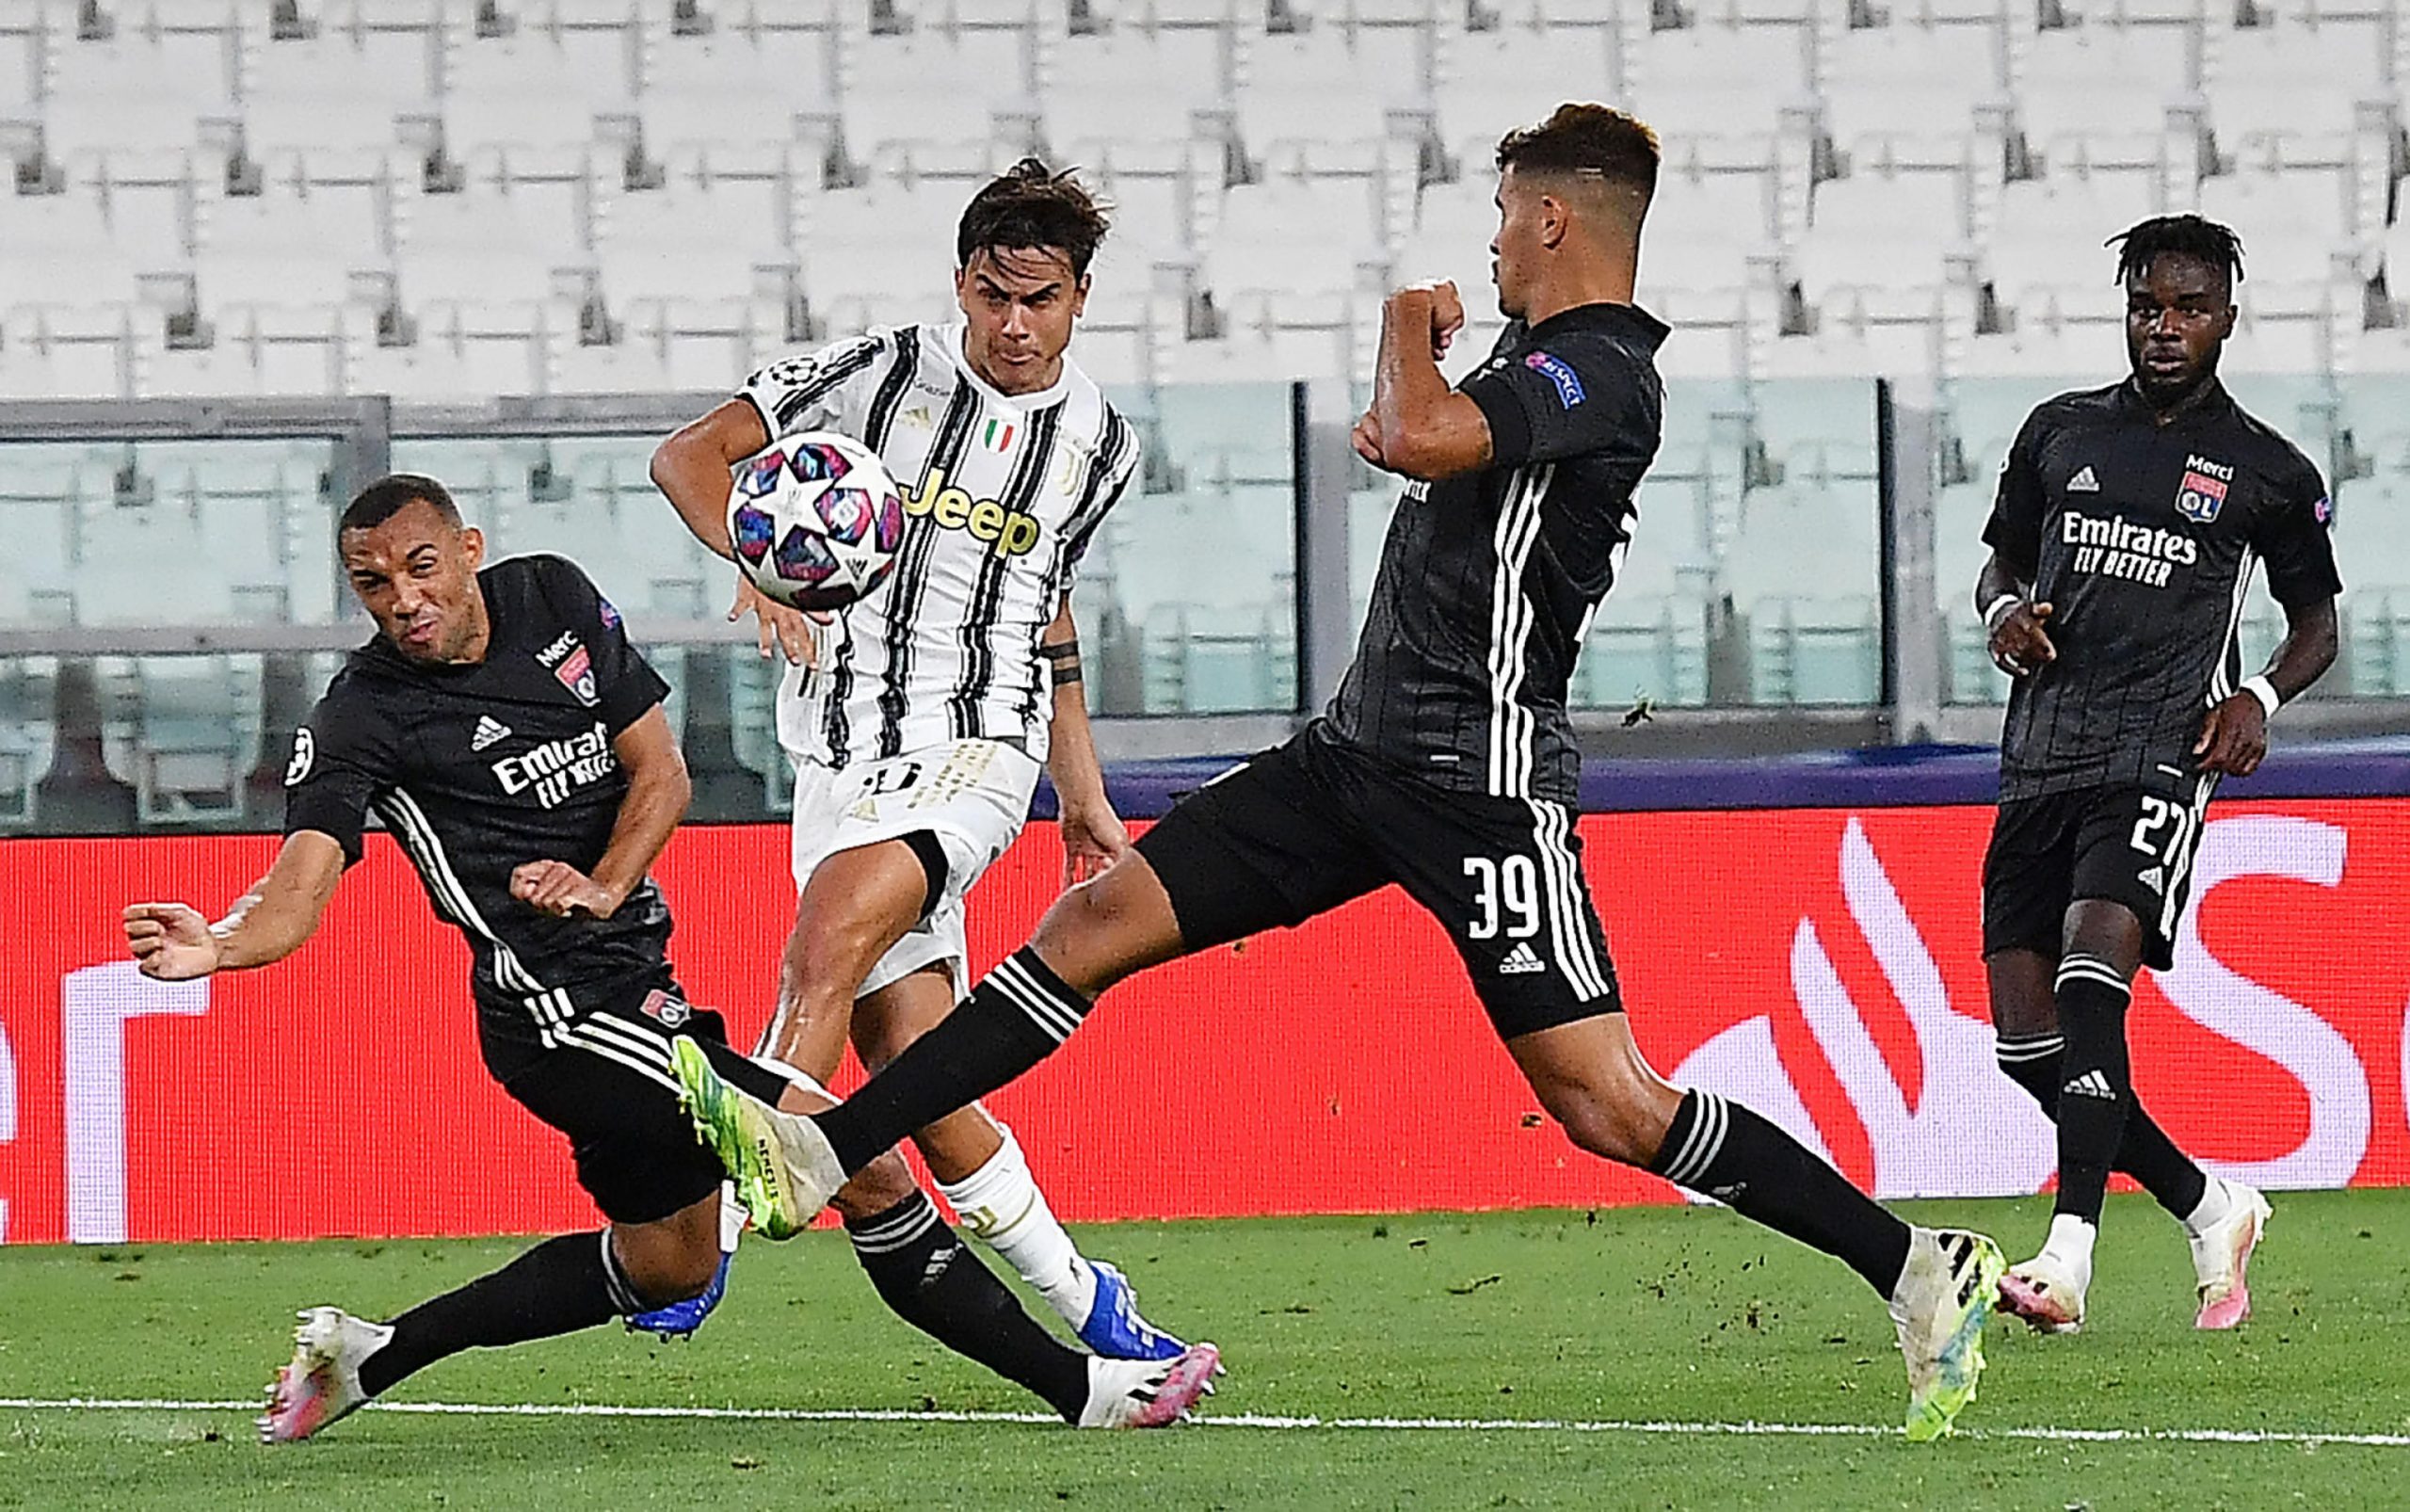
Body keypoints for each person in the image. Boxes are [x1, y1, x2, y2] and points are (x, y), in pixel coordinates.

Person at [669, 104, 2008, 1442]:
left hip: (1479, 784)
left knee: (1610, 1103)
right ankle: (819, 1148)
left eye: (1501, 217)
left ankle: (1910, 1262)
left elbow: (1413, 435)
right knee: (1089, 924)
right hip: (1354, 753)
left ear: (1550, 218)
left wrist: (1400, 333)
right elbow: (1417, 439)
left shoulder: (1600, 368)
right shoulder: (1534, 351)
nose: (1490, 244)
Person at [119, 475, 1219, 1444]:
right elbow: (300, 887)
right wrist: (218, 944)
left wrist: (603, 882)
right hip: (556, 1018)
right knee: (853, 1158)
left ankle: (369, 1353)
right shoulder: (365, 713)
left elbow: (662, 774)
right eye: (371, 584)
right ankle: (1087, 1387)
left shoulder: (551, 596)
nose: (402, 599)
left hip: (641, 991)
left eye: (418, 567)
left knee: (670, 1264)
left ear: (469, 549)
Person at [648, 157, 1182, 1359]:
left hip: (974, 748)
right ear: (961, 283)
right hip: (836, 756)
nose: (1012, 323)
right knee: (916, 1070)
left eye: (1038, 299)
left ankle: (717, 1230)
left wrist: (1077, 790)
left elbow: (1043, 617)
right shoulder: (880, 370)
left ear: (1078, 298)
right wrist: (750, 565)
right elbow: (687, 457)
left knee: (826, 937)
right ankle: (1089, 1301)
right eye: (993, 294)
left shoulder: (1100, 446)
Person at [1975, 214, 2340, 1333]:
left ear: (2225, 316)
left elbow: (2316, 623)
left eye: (2187, 308)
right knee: (2030, 1046)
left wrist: (2258, 699)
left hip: (2158, 754)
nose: (2164, 327)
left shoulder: (2268, 470)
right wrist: (2004, 616)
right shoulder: (2057, 432)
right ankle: (2207, 1202)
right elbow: (2003, 562)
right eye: (2147, 306)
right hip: (2041, 754)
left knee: (2096, 971)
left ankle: (2070, 1255)